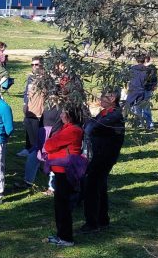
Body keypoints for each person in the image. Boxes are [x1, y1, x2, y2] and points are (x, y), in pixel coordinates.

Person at [81, 89, 125, 232]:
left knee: (92, 188)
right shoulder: (105, 113)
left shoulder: (114, 115)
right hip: (99, 156)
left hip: (103, 157)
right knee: (100, 187)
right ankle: (102, 219)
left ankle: (92, 224)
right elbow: (89, 125)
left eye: (103, 97)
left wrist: (89, 124)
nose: (100, 99)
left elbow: (91, 128)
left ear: (112, 98)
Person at [43, 108, 84, 246]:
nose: (60, 114)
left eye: (64, 113)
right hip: (60, 169)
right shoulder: (66, 128)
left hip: (65, 170)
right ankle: (61, 234)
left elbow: (49, 145)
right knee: (60, 204)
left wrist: (51, 144)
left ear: (70, 116)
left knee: (63, 205)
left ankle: (66, 238)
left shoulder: (72, 130)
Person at [22, 57, 46, 186]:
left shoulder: (46, 80)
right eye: (33, 64)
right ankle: (34, 167)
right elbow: (26, 93)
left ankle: (41, 167)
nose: (34, 66)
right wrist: (24, 104)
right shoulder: (30, 78)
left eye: (37, 64)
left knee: (38, 144)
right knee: (32, 144)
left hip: (39, 115)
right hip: (29, 114)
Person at [127, 53, 157, 130]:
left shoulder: (132, 68)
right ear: (144, 60)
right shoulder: (148, 69)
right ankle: (145, 124)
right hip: (143, 90)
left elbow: (129, 79)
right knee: (142, 108)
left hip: (137, 90)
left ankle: (145, 124)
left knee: (140, 108)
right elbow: (153, 79)